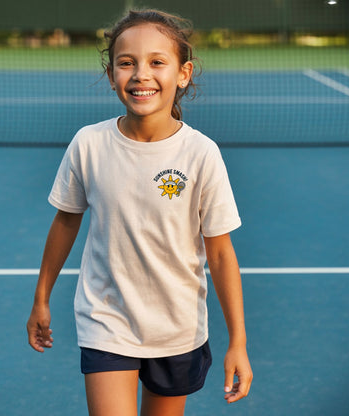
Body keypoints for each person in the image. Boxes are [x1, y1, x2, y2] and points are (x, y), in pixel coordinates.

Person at [27, 9, 253, 416]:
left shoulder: (201, 154)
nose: (140, 74)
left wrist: (238, 340)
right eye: (126, 62)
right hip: (106, 320)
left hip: (177, 328)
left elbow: (220, 253)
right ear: (112, 73)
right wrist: (41, 297)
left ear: (183, 74)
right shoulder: (88, 144)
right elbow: (65, 221)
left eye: (157, 62)